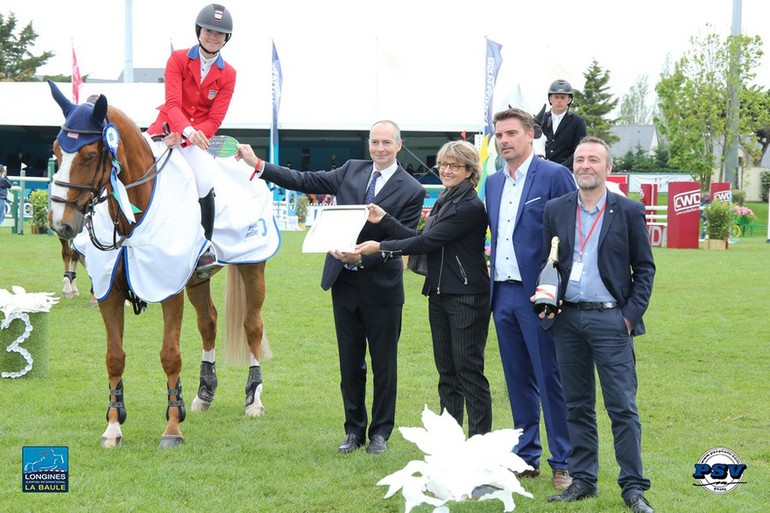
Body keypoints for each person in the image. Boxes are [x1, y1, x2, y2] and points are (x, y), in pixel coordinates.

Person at [236, 120, 425, 454]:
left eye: (386, 143)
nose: (379, 149)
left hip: (381, 286)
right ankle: (353, 431)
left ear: (399, 145)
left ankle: (380, 433)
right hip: (344, 283)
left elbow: (405, 240)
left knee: (384, 364)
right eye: (374, 142)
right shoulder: (352, 170)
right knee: (349, 363)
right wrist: (259, 164)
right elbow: (304, 180)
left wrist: (363, 256)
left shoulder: (411, 189)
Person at [541, 136, 655, 513]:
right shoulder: (556, 209)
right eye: (579, 159)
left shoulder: (628, 210)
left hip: (610, 319)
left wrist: (628, 318)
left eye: (593, 159)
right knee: (576, 405)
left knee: (621, 406)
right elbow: (549, 262)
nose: (585, 165)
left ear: (608, 167)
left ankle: (633, 488)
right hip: (568, 319)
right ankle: (584, 480)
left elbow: (645, 269)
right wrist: (547, 300)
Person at [354, 140, 492, 437]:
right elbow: (421, 237)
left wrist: (381, 247)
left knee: (469, 374)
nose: (446, 170)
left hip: (466, 297)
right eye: (443, 164)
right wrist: (386, 220)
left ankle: (480, 447)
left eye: (454, 165)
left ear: (470, 170)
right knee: (447, 375)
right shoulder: (446, 199)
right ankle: (451, 442)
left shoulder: (468, 205)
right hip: (440, 293)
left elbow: (426, 243)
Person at [484, 107, 576, 490]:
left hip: (538, 294)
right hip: (501, 293)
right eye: (499, 135)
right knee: (517, 378)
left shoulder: (554, 176)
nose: (504, 140)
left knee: (549, 377)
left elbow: (573, 232)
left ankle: (564, 462)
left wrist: (559, 291)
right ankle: (526, 456)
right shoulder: (491, 183)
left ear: (530, 135)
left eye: (511, 133)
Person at [146, 3, 236, 279]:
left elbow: (216, 117)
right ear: (199, 31)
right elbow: (173, 103)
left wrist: (196, 136)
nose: (213, 37)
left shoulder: (228, 73)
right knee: (136, 170)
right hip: (165, 130)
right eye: (209, 30)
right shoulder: (178, 59)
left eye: (219, 34)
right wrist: (185, 131)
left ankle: (204, 247)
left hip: (196, 141)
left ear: (226, 39)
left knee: (204, 180)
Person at [537, 79, 587, 171]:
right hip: (542, 169)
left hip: (567, 170)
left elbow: (580, 150)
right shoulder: (540, 120)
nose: (559, 101)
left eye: (563, 97)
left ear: (569, 99)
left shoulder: (578, 122)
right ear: (550, 99)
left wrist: (561, 168)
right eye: (556, 97)